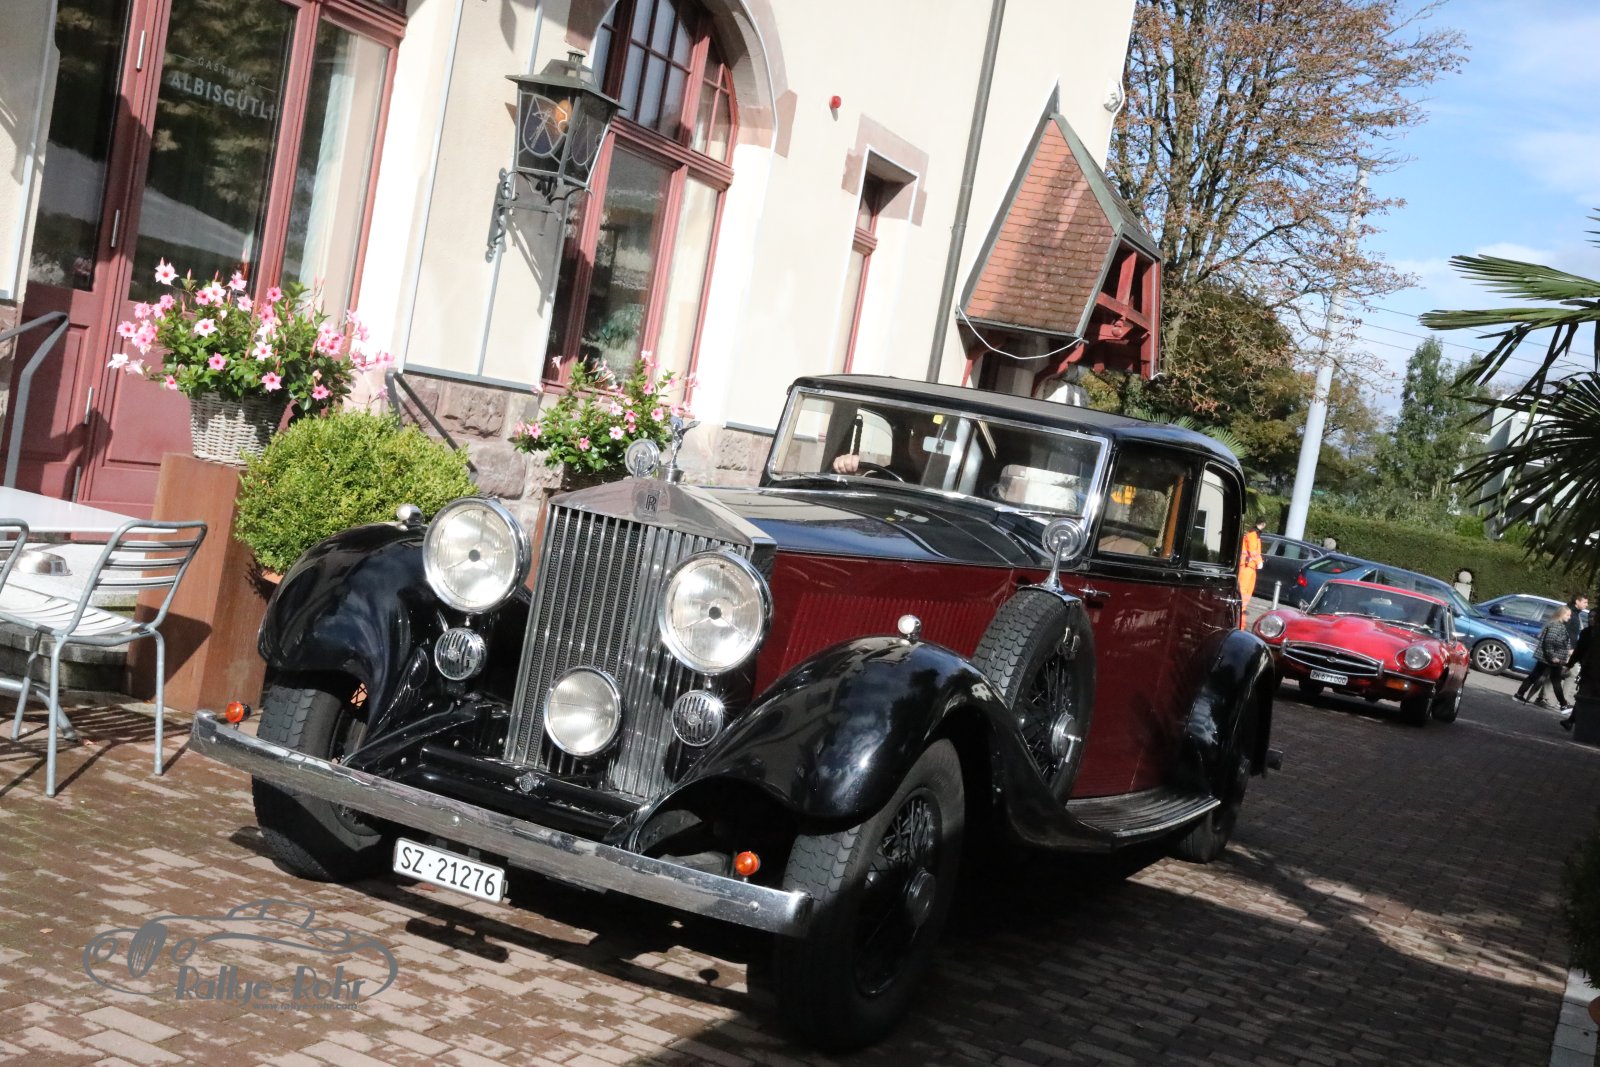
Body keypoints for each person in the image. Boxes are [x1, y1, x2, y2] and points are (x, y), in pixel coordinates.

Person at [1516, 605, 1574, 710]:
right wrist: (1552, 657)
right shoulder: (1556, 626)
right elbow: (1549, 642)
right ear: (1561, 614)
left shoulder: (1558, 625)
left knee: (1535, 676)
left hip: (1547, 658)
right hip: (1551, 659)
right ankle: (1563, 704)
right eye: (1568, 615)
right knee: (1555, 681)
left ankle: (1519, 694)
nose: (1569, 617)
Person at [1237, 519, 1266, 627]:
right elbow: (1253, 551)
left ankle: (1242, 609)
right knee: (1244, 590)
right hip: (1247, 566)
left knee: (1248, 590)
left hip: (1250, 566)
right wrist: (1259, 561)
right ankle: (1240, 609)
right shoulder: (1253, 535)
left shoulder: (1254, 535)